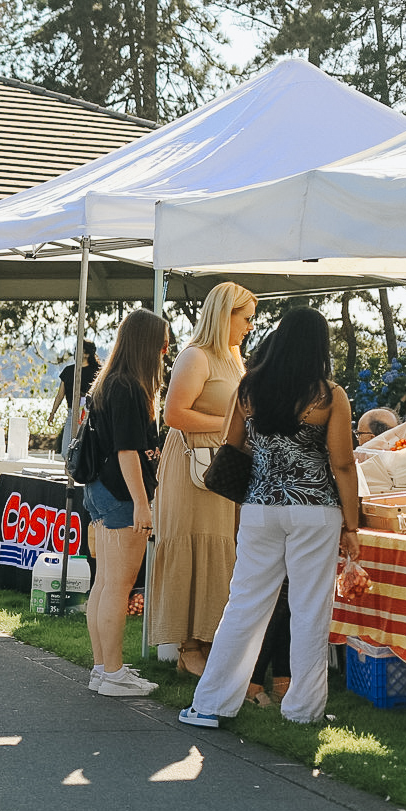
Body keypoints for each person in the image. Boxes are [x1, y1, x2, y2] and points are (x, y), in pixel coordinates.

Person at [182, 306, 361, 728]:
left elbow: (233, 445)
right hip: (315, 511)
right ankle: (304, 710)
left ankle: (209, 704)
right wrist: (352, 527)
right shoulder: (329, 395)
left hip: (259, 508)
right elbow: (343, 464)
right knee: (310, 609)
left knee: (244, 604)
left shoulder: (249, 388)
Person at [152, 282, 256, 676]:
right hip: (193, 467)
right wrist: (231, 425)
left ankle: (207, 640)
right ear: (224, 315)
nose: (249, 327)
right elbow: (174, 415)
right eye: (245, 319)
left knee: (220, 550)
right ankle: (188, 645)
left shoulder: (233, 357)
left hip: (221, 467)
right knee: (194, 546)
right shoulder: (195, 357)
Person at [80, 310, 168, 698]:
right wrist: (141, 503)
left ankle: (104, 668)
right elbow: (127, 451)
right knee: (118, 585)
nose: (167, 351)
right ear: (149, 345)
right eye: (163, 343)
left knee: (104, 583)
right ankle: (112, 672)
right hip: (120, 494)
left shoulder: (108, 382)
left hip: (100, 489)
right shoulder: (130, 387)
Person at [50, 341, 100, 449]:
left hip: (88, 414)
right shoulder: (68, 371)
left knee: (84, 449)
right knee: (65, 450)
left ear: (87, 354)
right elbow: (60, 395)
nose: (76, 353)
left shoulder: (97, 371)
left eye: (80, 351)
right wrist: (52, 413)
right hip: (72, 412)